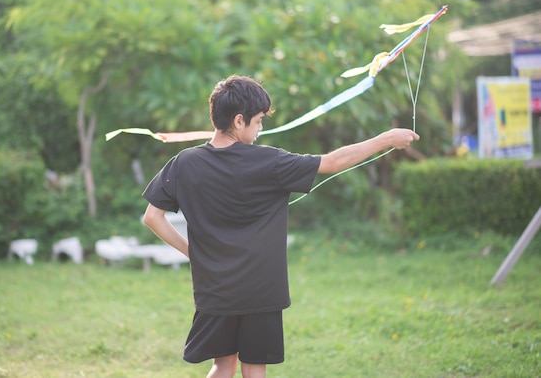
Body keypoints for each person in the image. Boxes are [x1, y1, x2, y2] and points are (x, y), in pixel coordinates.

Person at [141, 75, 419, 378]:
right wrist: (386, 139)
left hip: (214, 289)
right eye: (259, 121)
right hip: (262, 290)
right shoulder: (269, 161)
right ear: (238, 121)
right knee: (255, 368)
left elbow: (152, 217)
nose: (260, 129)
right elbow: (334, 162)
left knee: (222, 366)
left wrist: (193, 252)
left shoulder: (183, 163)